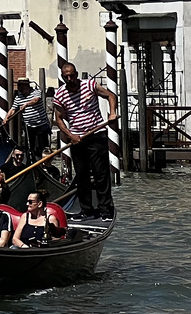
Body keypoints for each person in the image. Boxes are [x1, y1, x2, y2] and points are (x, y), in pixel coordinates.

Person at [51, 61, 117, 220]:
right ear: (62, 77)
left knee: (100, 174)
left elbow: (110, 95)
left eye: (72, 76)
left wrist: (112, 113)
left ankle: (105, 209)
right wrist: (70, 135)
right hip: (77, 139)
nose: (69, 79)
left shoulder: (90, 85)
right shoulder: (60, 94)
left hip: (96, 134)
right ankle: (86, 210)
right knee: (81, 175)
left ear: (76, 74)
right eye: (66, 77)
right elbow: (58, 119)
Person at [11, 77, 52, 158]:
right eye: (19, 86)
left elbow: (36, 100)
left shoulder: (36, 92)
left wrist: (26, 104)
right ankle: (31, 162)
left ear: (26, 86)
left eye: (21, 86)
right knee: (29, 146)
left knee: (43, 146)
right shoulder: (18, 98)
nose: (19, 88)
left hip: (41, 124)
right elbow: (12, 109)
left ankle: (44, 163)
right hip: (29, 125)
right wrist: (6, 119)